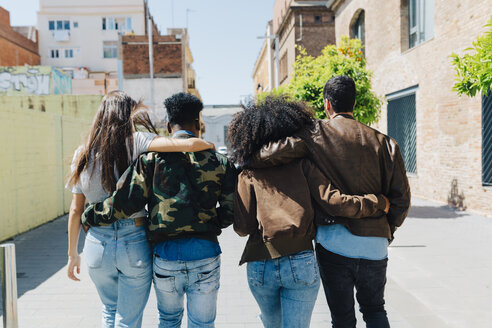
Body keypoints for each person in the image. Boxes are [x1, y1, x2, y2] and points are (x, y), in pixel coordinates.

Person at [250, 76, 411, 328]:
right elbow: (401, 201)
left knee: (342, 318)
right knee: (375, 310)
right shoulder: (385, 143)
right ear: (354, 102)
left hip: (334, 243)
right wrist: (386, 231)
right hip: (376, 244)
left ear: (327, 104)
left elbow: (265, 155)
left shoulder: (314, 134)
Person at [81, 92, 237, 328]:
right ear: (198, 123)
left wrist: (90, 214)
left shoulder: (151, 159)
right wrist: (210, 224)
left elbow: (126, 203)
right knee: (203, 324)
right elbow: (231, 210)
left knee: (169, 321)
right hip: (205, 253)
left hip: (165, 256)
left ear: (168, 125)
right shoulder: (220, 162)